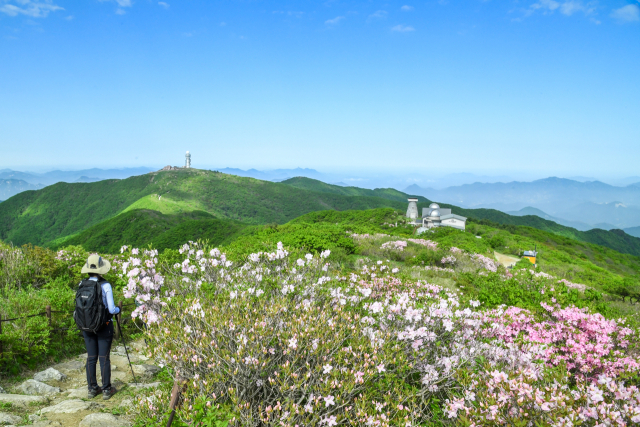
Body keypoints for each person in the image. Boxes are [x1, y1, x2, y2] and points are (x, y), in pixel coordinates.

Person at [79, 254, 121, 400]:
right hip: (104, 325)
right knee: (103, 358)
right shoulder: (105, 285)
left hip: (87, 326)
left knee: (91, 358)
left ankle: (91, 389)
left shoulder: (82, 284)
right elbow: (111, 309)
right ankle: (106, 390)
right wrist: (118, 310)